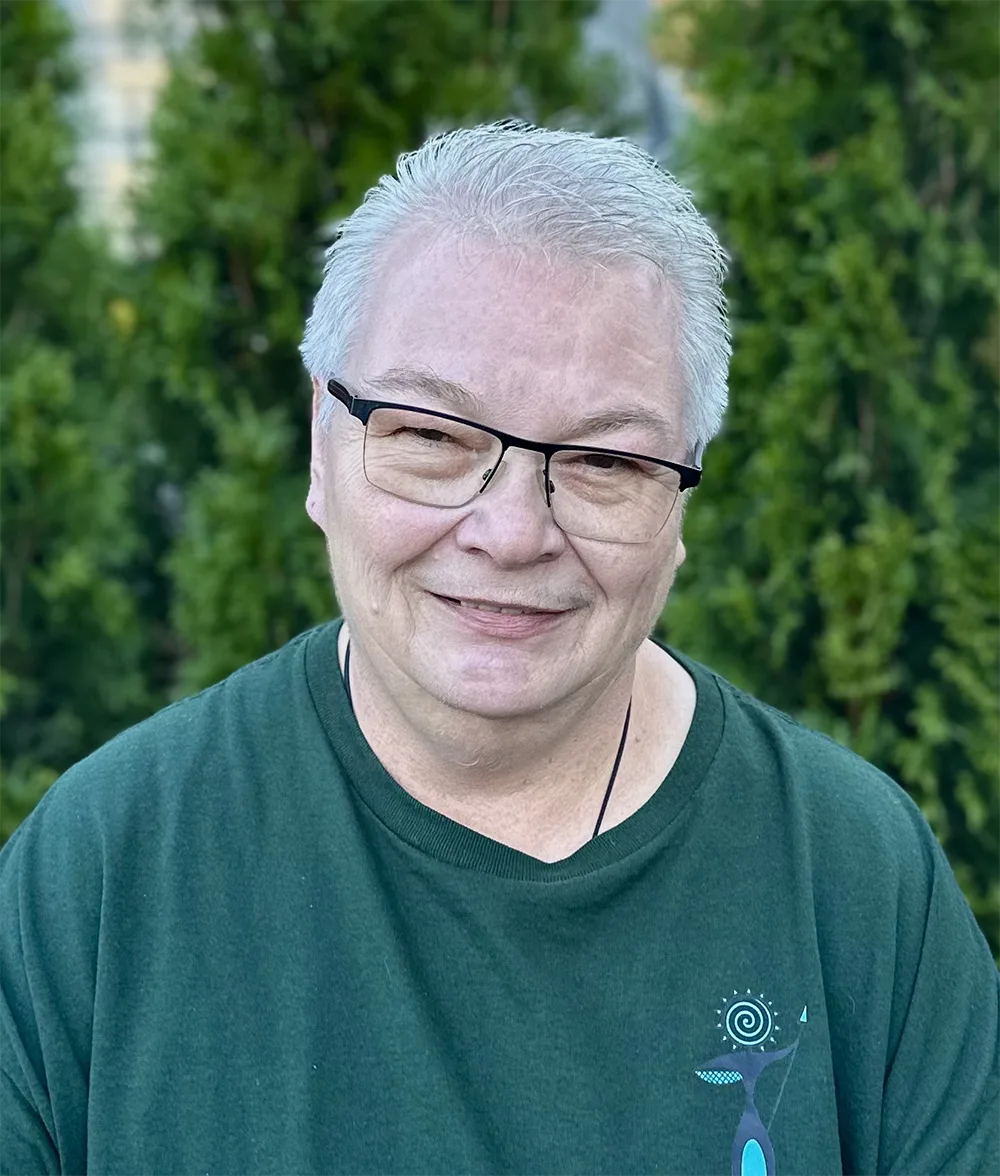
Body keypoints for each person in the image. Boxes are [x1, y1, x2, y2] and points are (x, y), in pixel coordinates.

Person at [1, 121, 997, 1176]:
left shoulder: (851, 876)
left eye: (606, 458)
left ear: (681, 495)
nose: (513, 531)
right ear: (321, 449)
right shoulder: (107, 871)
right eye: (431, 436)